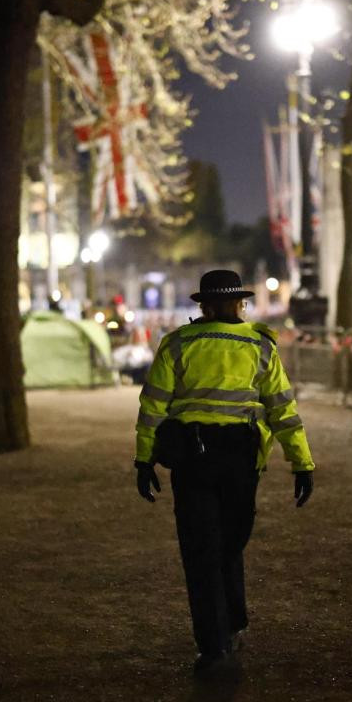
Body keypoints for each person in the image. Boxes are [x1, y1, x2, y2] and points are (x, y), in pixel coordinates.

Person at [134, 269, 315, 674]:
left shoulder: (176, 344)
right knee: (231, 543)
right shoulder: (260, 346)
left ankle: (214, 642)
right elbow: (283, 409)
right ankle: (230, 625)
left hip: (191, 457)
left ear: (204, 306)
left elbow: (152, 409)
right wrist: (301, 462)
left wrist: (144, 459)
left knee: (202, 551)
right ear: (238, 304)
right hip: (241, 457)